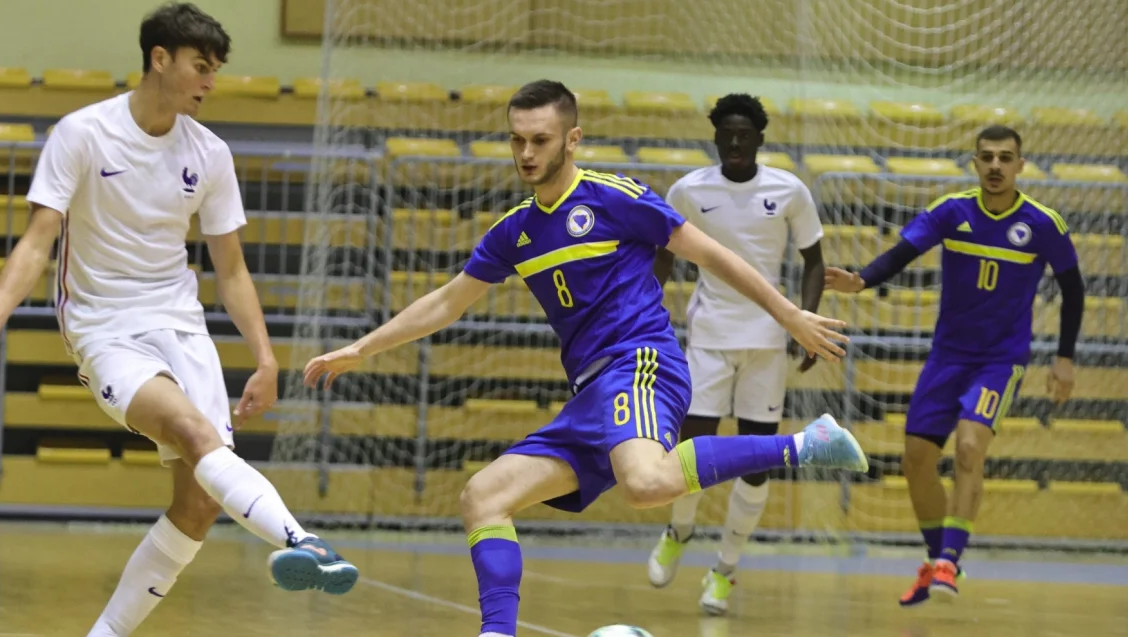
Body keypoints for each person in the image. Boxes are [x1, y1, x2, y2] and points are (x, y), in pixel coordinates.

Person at [303, 79, 868, 637]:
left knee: (645, 484)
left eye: (540, 140)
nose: (526, 153)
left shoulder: (614, 197)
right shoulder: (515, 231)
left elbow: (713, 255)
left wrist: (788, 313)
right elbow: (448, 300)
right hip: (590, 395)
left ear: (572, 139)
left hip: (641, 362)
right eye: (517, 140)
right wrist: (363, 347)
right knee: (484, 496)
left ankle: (804, 443)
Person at [0, 2, 357, 637]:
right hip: (104, 327)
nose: (209, 82)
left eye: (215, 69)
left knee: (197, 503)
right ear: (159, 60)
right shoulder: (82, 133)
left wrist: (268, 360)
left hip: (180, 323)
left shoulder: (210, 153)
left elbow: (232, 268)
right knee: (195, 433)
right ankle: (305, 540)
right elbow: (37, 240)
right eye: (200, 66)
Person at [825, 125, 1084, 605]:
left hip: (1000, 360)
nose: (995, 166)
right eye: (987, 157)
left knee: (968, 448)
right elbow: (904, 252)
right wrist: (860, 281)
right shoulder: (953, 211)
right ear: (975, 162)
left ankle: (949, 563)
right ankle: (935, 558)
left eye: (1005, 158)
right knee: (916, 460)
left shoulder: (1043, 223)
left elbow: (1073, 288)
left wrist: (1064, 358)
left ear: (1020, 166)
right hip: (947, 357)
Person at [645, 93, 826, 615]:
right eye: (728, 133)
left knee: (755, 464)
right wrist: (647, 311)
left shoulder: (789, 190)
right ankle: (679, 529)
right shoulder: (689, 190)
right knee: (692, 451)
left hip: (768, 344)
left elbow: (814, 262)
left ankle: (724, 570)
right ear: (717, 137)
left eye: (746, 133)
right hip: (709, 337)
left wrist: (805, 321)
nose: (737, 141)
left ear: (760, 139)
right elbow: (663, 254)